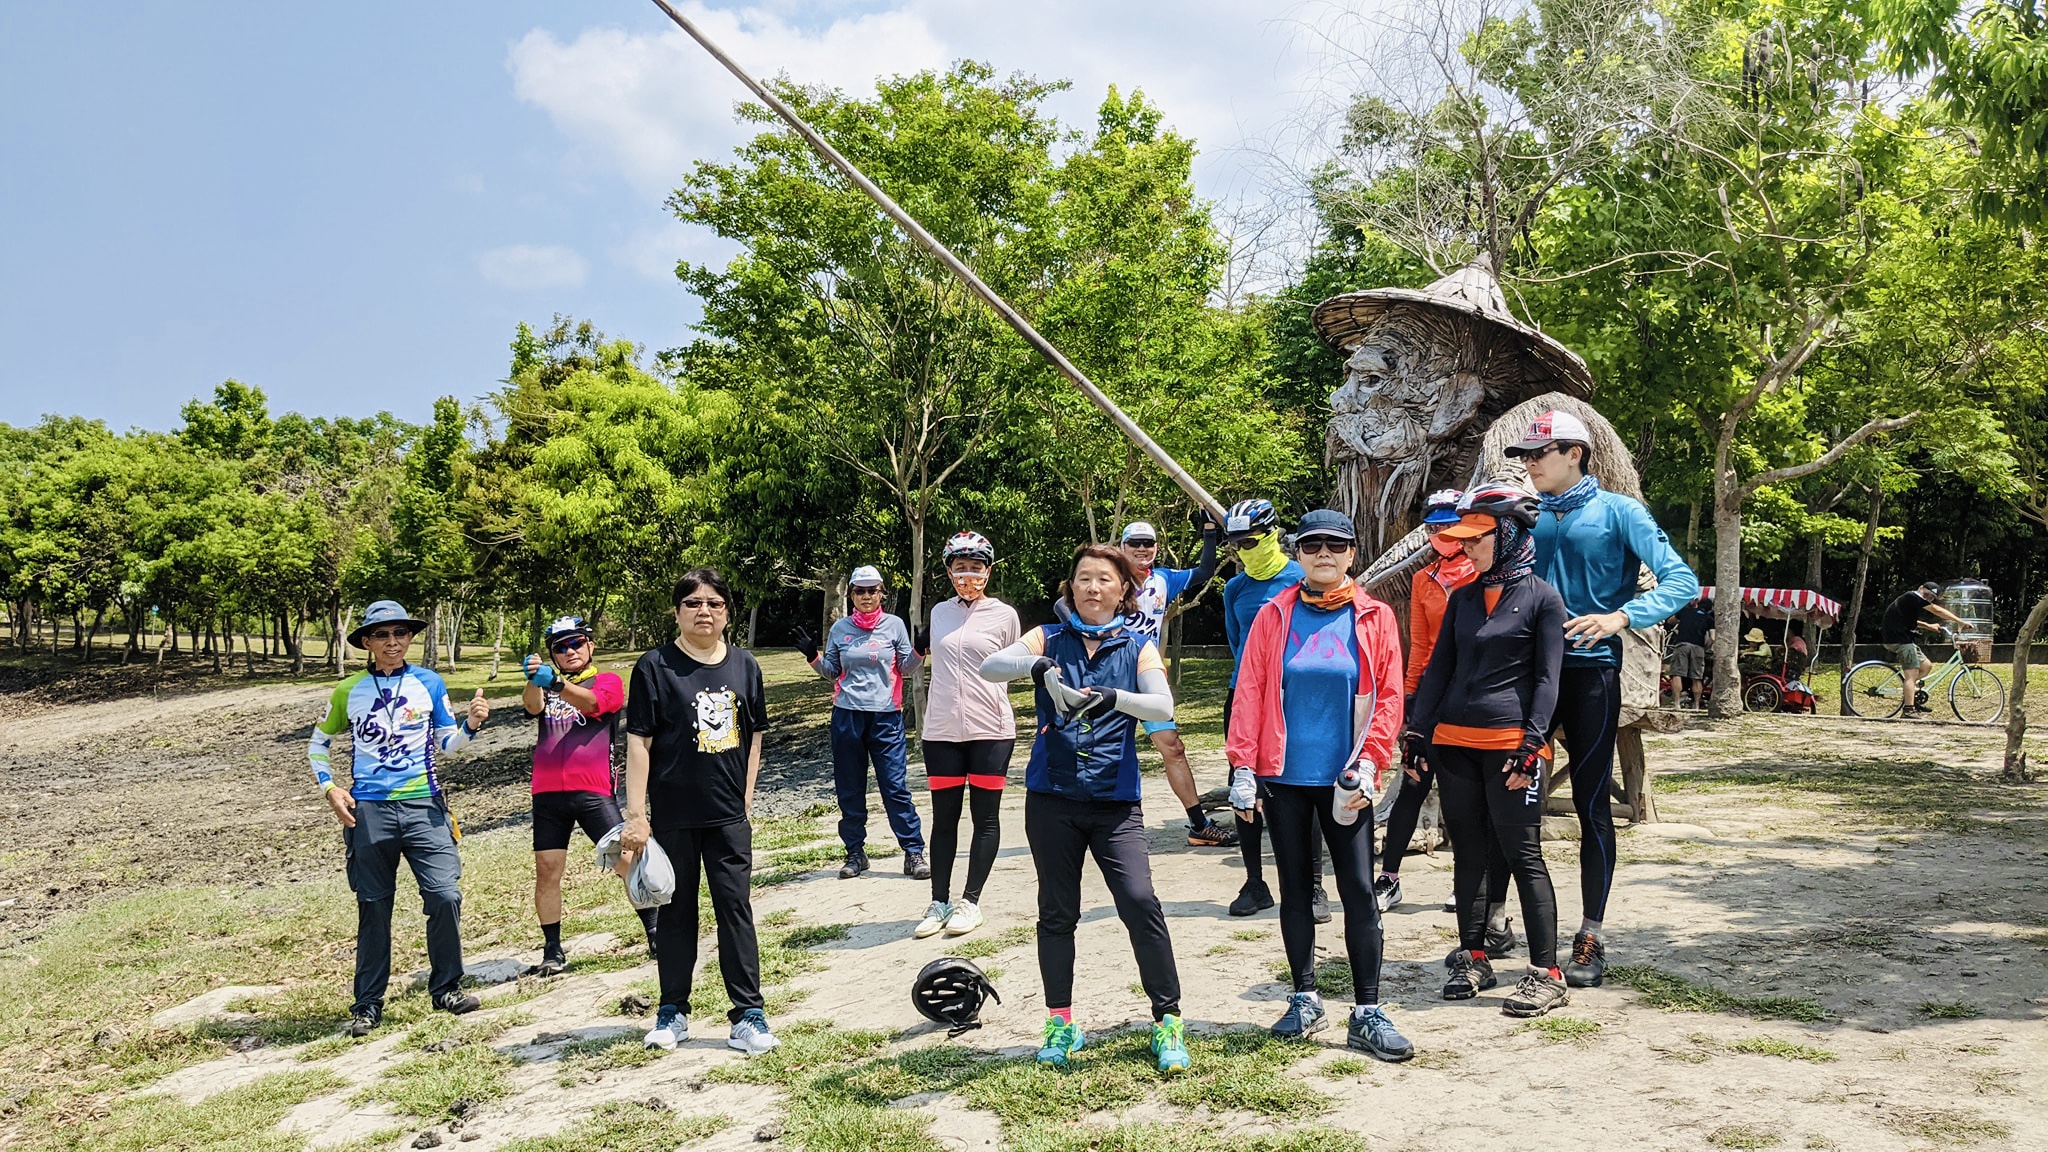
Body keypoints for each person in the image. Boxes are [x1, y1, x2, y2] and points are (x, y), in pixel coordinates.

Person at [978, 543, 1193, 1075]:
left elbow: (1163, 706)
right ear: (1070, 588)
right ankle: (1060, 1022)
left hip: (1115, 804)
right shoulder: (1049, 635)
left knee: (1140, 902)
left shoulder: (1138, 645)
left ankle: (1167, 1020)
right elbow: (989, 666)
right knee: (1057, 913)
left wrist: (1110, 697)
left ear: (1124, 590)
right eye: (1083, 579)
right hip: (1051, 800)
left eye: (1104, 579)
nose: (1093, 588)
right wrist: (1038, 663)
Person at [1508, 409, 1699, 989]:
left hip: (1592, 674)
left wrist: (1621, 617)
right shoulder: (1524, 515)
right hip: (1522, 678)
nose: (1529, 463)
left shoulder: (1620, 512)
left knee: (1592, 805)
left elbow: (1682, 580)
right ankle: (1489, 925)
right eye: (1524, 455)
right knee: (1509, 800)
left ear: (1576, 453)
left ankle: (1590, 934)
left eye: (1539, 453)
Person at [1225, 509, 1414, 1061]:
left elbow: (1389, 697)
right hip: (1283, 775)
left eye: (1335, 545)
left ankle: (1368, 1011)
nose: (1324, 554)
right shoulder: (1274, 615)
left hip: (1345, 777)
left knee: (1357, 889)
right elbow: (1251, 689)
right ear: (1299, 554)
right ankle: (1304, 997)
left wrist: (1373, 762)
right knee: (1295, 889)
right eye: (1312, 546)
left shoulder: (1375, 617)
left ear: (1352, 553)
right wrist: (1243, 765)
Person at [1408, 486, 1570, 1017]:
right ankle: (1474, 955)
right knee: (1468, 854)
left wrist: (1533, 742)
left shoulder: (1545, 599)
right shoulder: (1463, 597)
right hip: (1454, 743)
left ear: (1507, 536)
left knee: (1524, 855)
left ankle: (1547, 972)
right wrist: (1416, 732)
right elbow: (1438, 670)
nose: (1465, 549)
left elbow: (1549, 679)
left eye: (1476, 540)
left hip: (1511, 750)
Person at [308, 599, 490, 1037]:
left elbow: (447, 744)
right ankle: (367, 1004)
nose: (393, 642)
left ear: (410, 638)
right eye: (382, 635)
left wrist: (470, 727)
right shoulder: (347, 691)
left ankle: (446, 986)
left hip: (425, 807)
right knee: (374, 908)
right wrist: (330, 789)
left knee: (445, 895)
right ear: (367, 641)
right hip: (368, 813)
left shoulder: (429, 682)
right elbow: (317, 744)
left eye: (401, 634)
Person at [623, 571, 780, 1055]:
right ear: (677, 612)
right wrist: (636, 814)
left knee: (736, 910)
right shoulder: (655, 667)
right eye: (693, 603)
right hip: (672, 815)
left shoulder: (746, 666)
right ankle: (673, 1011)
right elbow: (638, 743)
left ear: (728, 612)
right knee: (676, 913)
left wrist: (746, 797)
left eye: (714, 603)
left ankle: (748, 1015)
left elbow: (754, 734)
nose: (704, 611)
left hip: (729, 816)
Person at [520, 615, 657, 974]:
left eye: (576, 643)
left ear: (590, 645)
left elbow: (596, 705)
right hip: (548, 794)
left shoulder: (607, 681)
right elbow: (533, 707)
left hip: (594, 791)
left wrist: (557, 684)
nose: (569, 651)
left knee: (625, 861)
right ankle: (552, 950)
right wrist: (534, 679)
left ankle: (656, 931)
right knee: (547, 870)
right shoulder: (549, 685)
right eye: (560, 648)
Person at [1218, 498, 1325, 921]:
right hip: (1244, 696)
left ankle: (1313, 886)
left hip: (1295, 695)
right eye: (1235, 543)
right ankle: (1254, 882)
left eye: (1251, 541)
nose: (1244, 549)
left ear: (1272, 535)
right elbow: (1236, 641)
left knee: (1306, 786)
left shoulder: (1302, 578)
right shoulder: (1236, 589)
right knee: (1243, 788)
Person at [913, 532, 1020, 940]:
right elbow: (912, 664)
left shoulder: (1004, 615)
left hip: (991, 729)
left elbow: (1015, 665)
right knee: (944, 819)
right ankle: (939, 900)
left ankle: (970, 901)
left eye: (976, 568)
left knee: (984, 818)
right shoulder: (939, 612)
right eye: (960, 568)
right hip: (941, 730)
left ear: (988, 570)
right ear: (949, 571)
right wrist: (919, 647)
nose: (968, 576)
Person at [797, 566, 927, 881]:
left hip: (886, 716)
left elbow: (906, 668)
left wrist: (921, 649)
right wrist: (812, 655)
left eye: (872, 590)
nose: (866, 596)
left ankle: (913, 852)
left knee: (895, 787)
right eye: (860, 591)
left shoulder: (894, 625)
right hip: (847, 715)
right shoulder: (841, 629)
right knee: (850, 787)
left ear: (881, 592)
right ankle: (855, 852)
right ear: (852, 594)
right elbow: (831, 671)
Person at [1116, 517, 1235, 849]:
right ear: (1122, 548)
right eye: (1134, 543)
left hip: (1147, 678)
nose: (1142, 549)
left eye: (1148, 543)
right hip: (1110, 679)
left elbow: (1203, 572)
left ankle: (1199, 825)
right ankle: (1096, 826)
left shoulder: (1164, 579)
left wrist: (1210, 534)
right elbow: (1066, 606)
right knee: (1107, 751)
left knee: (1174, 748)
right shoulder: (1108, 580)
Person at [1881, 581, 1967, 718]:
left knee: (1926, 665)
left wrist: (1929, 626)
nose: (1927, 598)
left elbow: (1909, 621)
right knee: (1912, 674)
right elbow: (1937, 610)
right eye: (1926, 594)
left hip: (1903, 638)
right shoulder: (1912, 596)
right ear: (1920, 588)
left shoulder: (1910, 602)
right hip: (1899, 640)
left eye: (1931, 597)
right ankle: (1908, 709)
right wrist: (1960, 621)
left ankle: (1910, 693)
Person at [1668, 595, 1714, 708]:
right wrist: (1705, 647)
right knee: (1697, 676)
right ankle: (1696, 704)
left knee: (1677, 674)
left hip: (1682, 645)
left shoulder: (1685, 612)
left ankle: (1677, 703)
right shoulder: (1709, 619)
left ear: (1697, 604)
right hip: (1698, 647)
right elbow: (1713, 638)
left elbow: (1670, 621)